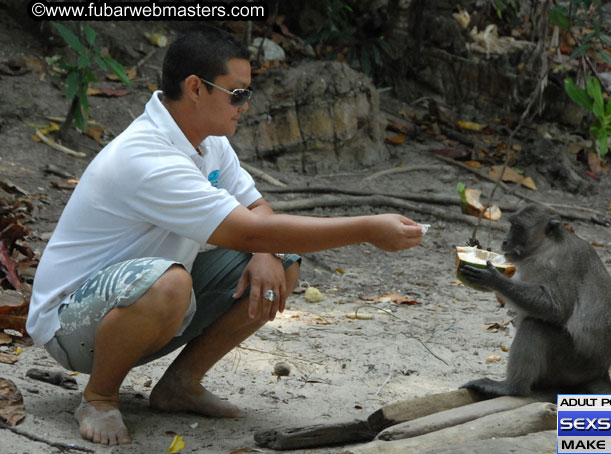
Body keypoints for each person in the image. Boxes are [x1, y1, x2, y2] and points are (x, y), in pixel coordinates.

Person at [27, 25, 424, 446]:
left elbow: (257, 210)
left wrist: (265, 251)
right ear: (195, 88)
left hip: (145, 303)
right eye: (237, 93)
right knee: (169, 284)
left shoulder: (206, 140)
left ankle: (181, 384)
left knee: (280, 264)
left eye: (247, 93)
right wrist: (366, 228)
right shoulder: (146, 156)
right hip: (70, 326)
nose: (245, 105)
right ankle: (100, 397)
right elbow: (248, 228)